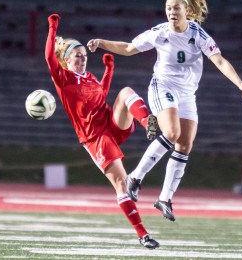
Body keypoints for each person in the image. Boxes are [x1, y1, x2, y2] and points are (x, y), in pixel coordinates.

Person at [87, 0, 242, 222]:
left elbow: (220, 61)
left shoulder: (198, 35)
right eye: (168, 8)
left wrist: (240, 83)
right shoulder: (160, 32)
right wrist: (102, 42)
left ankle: (164, 198)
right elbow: (129, 48)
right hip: (162, 87)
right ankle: (135, 177)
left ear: (186, 10)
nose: (171, 12)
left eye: (176, 8)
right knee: (172, 132)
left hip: (187, 94)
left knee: (184, 145)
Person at [45, 13, 160, 249]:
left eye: (85, 56)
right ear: (66, 60)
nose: (83, 59)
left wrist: (109, 69)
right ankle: (143, 234)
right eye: (78, 55)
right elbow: (49, 57)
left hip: (111, 124)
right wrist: (53, 27)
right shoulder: (63, 78)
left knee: (126, 91)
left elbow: (102, 92)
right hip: (95, 138)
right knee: (122, 183)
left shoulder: (89, 77)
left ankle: (149, 122)